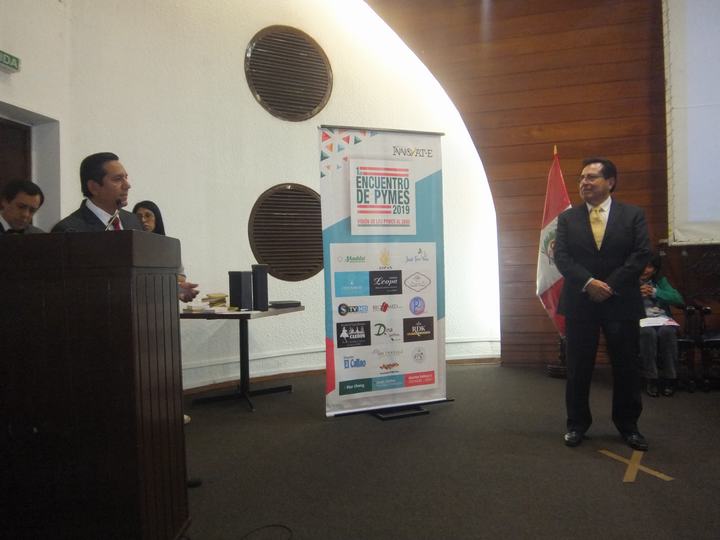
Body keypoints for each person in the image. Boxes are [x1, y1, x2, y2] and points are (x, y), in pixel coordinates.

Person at [555, 157, 651, 451]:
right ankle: (576, 424)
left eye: (591, 177)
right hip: (580, 301)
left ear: (610, 182)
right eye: (581, 178)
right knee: (578, 367)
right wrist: (589, 283)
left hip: (620, 302)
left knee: (626, 367)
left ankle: (628, 426)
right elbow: (561, 257)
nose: (584, 182)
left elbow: (640, 254)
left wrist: (609, 285)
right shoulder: (567, 218)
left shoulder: (632, 215)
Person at [51, 152, 142, 232]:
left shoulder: (133, 221)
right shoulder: (69, 230)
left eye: (126, 178)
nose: (127, 185)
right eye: (117, 179)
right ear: (93, 187)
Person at [132, 200, 198, 301]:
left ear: (157, 219)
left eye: (148, 215)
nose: (143, 220)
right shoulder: (130, 247)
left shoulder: (168, 247)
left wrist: (178, 289)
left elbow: (181, 277)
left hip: (162, 303)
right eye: (139, 216)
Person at [639, 253, 684, 397]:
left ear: (655, 269)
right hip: (642, 321)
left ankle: (670, 377)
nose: (645, 270)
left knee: (667, 332)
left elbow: (678, 299)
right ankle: (651, 378)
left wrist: (655, 292)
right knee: (647, 333)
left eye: (650, 267)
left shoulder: (660, 281)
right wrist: (636, 295)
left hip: (663, 320)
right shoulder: (630, 281)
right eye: (643, 265)